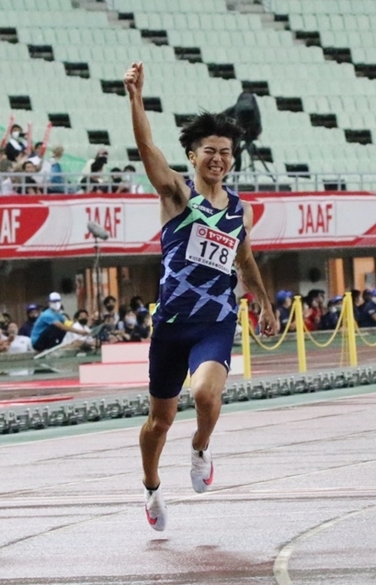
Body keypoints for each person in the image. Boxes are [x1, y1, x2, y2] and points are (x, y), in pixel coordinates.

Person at [124, 61, 279, 531]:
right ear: (192, 156)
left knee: (207, 393)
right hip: (171, 324)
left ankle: (200, 449)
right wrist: (135, 97)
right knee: (158, 422)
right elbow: (147, 147)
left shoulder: (240, 209)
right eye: (210, 151)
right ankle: (151, 488)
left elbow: (245, 260)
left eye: (226, 152)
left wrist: (265, 304)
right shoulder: (177, 194)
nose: (219, 158)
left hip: (216, 321)